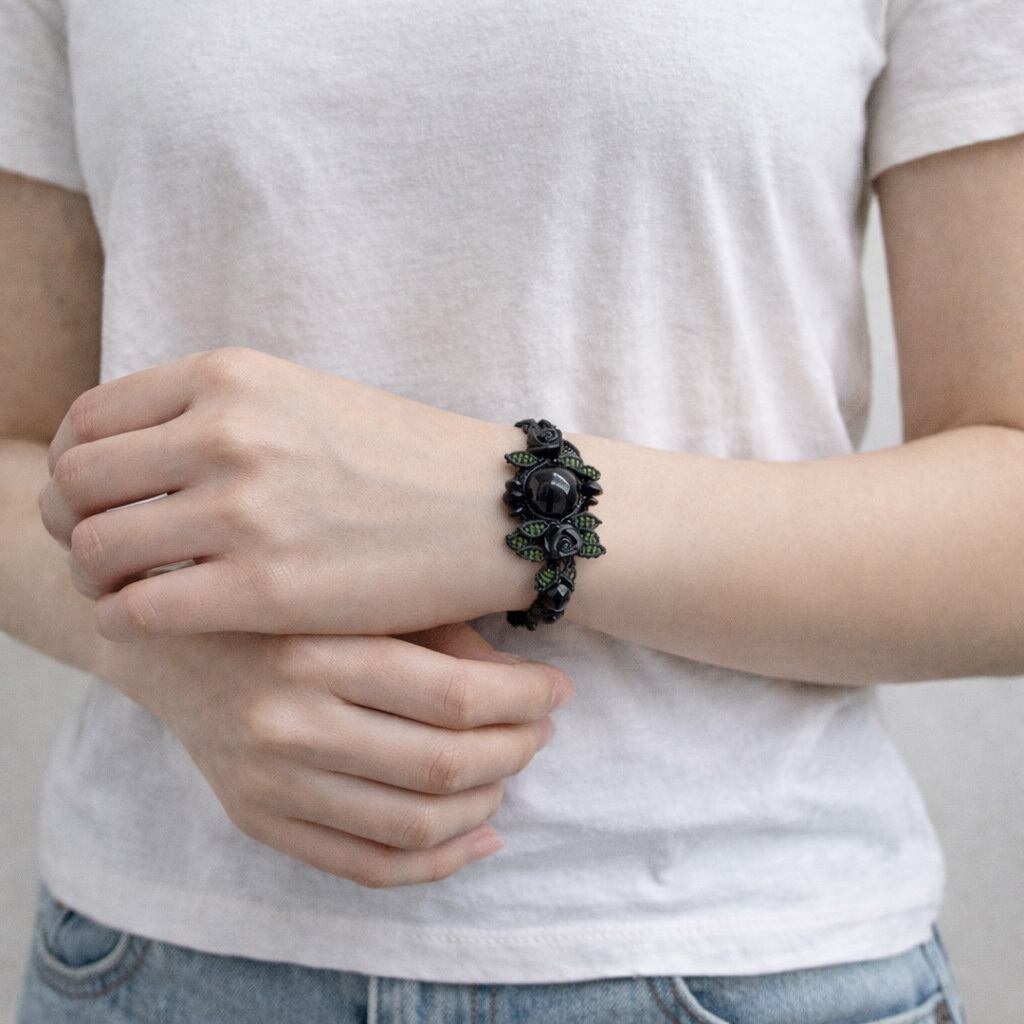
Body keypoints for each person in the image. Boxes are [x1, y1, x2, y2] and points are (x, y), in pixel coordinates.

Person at [2, 0, 1020, 1020]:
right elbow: (17, 444)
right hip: (159, 959)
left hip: (757, 952)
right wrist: (161, 649)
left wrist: (498, 505)